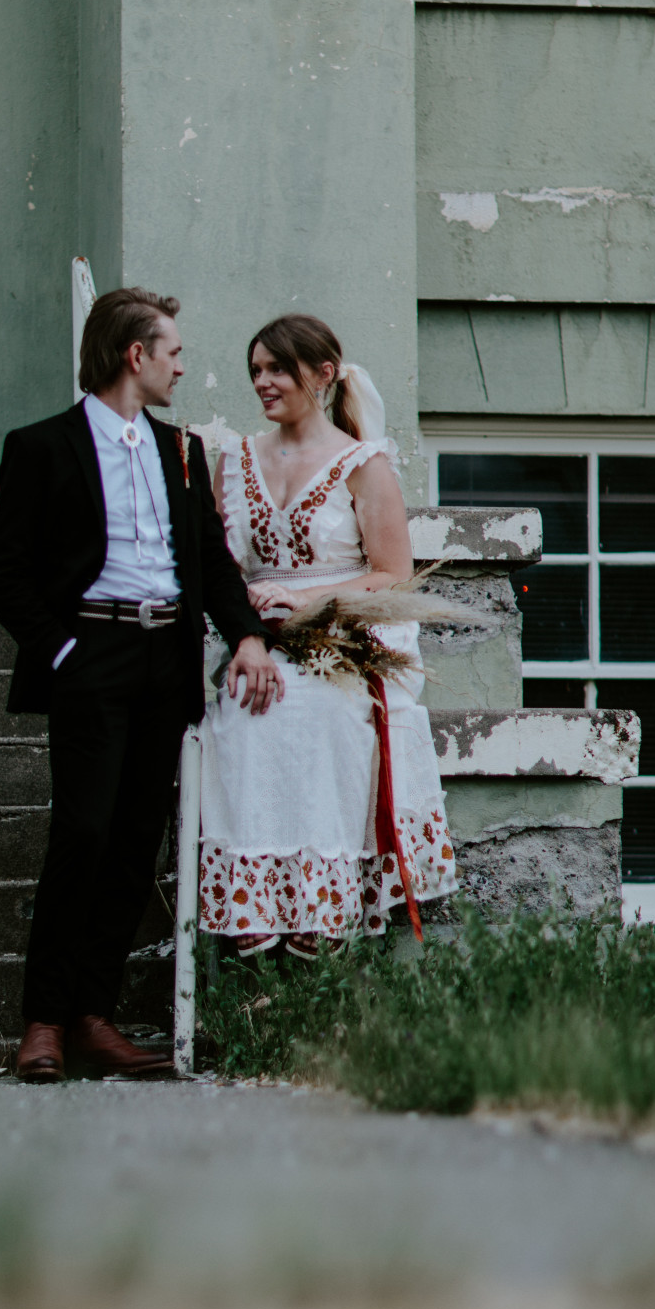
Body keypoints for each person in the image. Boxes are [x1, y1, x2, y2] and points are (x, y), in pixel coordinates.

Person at [0, 287, 282, 1083]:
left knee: (132, 845)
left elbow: (212, 562)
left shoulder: (181, 450)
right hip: (93, 654)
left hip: (164, 661)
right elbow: (4, 571)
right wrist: (61, 650)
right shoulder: (42, 447)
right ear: (132, 356)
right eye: (172, 350)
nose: (183, 364)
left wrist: (247, 634)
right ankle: (41, 1022)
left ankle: (92, 1017)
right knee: (80, 835)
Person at [199, 315, 457, 954]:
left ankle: (322, 904)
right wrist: (247, 622)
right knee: (241, 710)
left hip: (343, 627)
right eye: (255, 370)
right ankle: (253, 904)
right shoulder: (234, 460)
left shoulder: (361, 464)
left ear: (323, 374)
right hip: (255, 632)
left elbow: (394, 573)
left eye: (277, 368)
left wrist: (307, 598)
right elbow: (217, 564)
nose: (263, 382)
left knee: (322, 711)